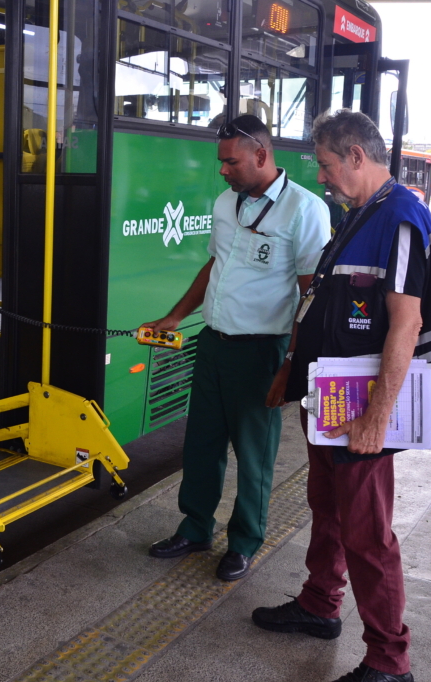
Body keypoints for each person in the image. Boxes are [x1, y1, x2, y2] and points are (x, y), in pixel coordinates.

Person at [252, 110, 431, 682]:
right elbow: (320, 302)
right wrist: (293, 367)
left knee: (368, 534)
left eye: (327, 164)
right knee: (327, 507)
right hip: (328, 398)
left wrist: (377, 417)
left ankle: (389, 660)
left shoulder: (401, 219)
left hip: (363, 408)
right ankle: (320, 604)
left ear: (357, 156)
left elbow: (405, 324)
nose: (322, 176)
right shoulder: (359, 215)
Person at [144, 115, 331, 581]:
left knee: (254, 455)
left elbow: (310, 295)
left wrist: (291, 362)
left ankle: (245, 540)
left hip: (262, 351)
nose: (223, 170)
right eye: (221, 161)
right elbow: (216, 264)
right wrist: (176, 315)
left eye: (231, 162)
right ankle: (195, 528)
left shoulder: (304, 209)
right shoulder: (226, 203)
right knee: (201, 444)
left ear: (261, 155)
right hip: (213, 342)